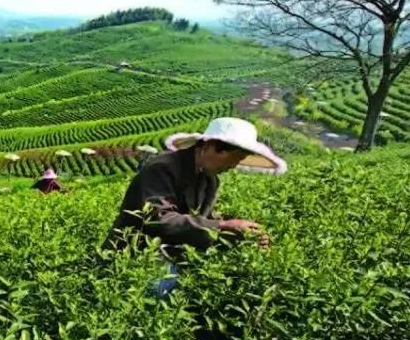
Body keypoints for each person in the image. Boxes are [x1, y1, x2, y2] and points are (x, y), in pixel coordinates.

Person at [103, 117, 286, 298]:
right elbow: (158, 219)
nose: (233, 166)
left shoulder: (210, 180)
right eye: (234, 158)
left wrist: (241, 232)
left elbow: (204, 218)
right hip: (134, 258)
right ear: (209, 147)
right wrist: (222, 226)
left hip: (171, 258)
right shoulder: (163, 168)